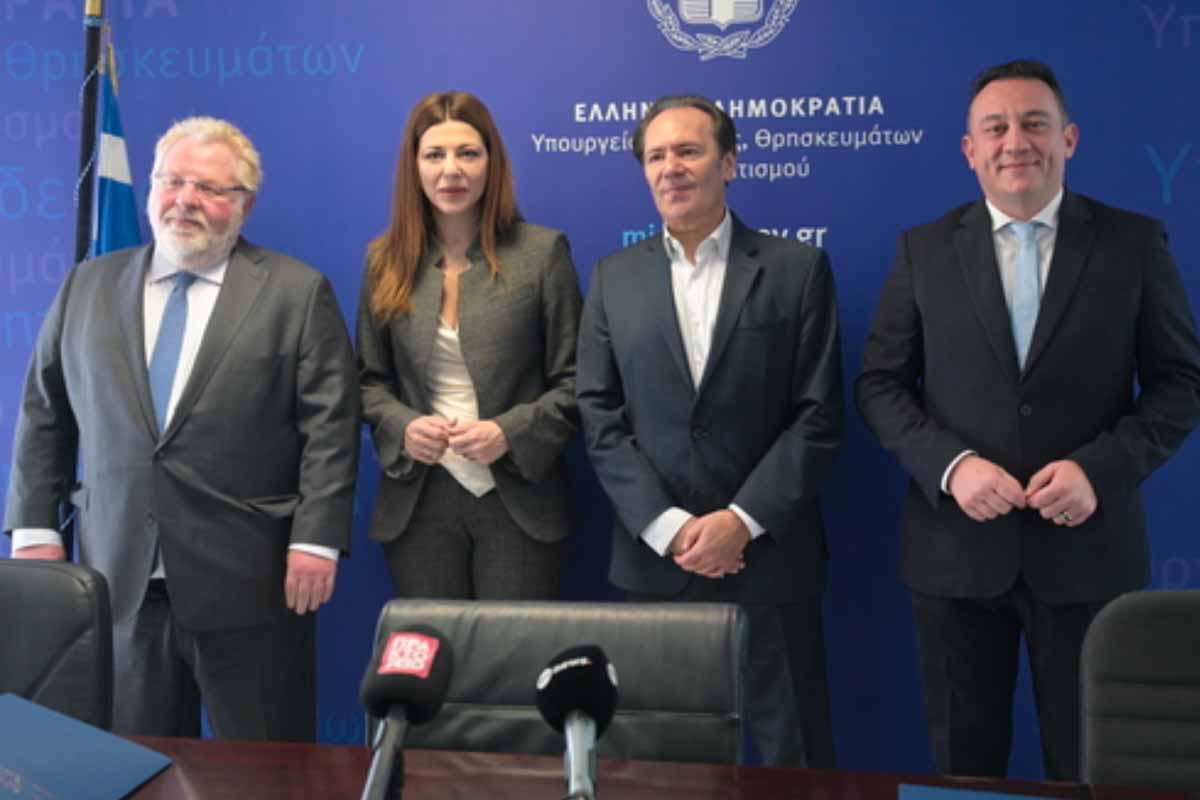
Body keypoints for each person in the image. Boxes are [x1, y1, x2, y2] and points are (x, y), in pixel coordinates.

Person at [856, 59, 1200, 779]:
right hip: (956, 556)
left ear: (1068, 139)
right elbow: (880, 385)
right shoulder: (923, 250)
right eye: (996, 128)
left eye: (1034, 123)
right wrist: (952, 468)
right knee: (963, 770)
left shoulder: (1134, 244)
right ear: (970, 149)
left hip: (1087, 556)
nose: (1016, 142)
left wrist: (1098, 470)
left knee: (1089, 768)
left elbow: (1181, 385)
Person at [3, 117, 360, 740]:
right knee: (135, 764)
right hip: (119, 580)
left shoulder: (297, 292)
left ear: (245, 204)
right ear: (151, 188)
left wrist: (316, 539)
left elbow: (330, 427)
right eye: (172, 181)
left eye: (210, 189)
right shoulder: (87, 284)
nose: (185, 200)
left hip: (251, 581)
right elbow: (44, 413)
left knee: (266, 768)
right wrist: (35, 527)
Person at [576, 94, 843, 767]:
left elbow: (817, 415)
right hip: (655, 563)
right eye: (656, 156)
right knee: (660, 764)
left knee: (792, 758)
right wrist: (668, 527)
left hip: (770, 560)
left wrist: (740, 522)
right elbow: (599, 416)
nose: (671, 167)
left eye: (689, 151)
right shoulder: (612, 279)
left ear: (728, 163)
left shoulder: (796, 270)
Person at [357, 91, 582, 600]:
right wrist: (403, 426)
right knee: (434, 649)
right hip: (419, 503)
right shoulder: (383, 260)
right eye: (434, 155)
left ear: (491, 162)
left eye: (468, 153)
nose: (451, 170)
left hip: (518, 499)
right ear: (414, 167)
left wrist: (509, 432)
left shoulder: (542, 253)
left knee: (512, 648)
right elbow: (368, 380)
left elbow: (578, 382)